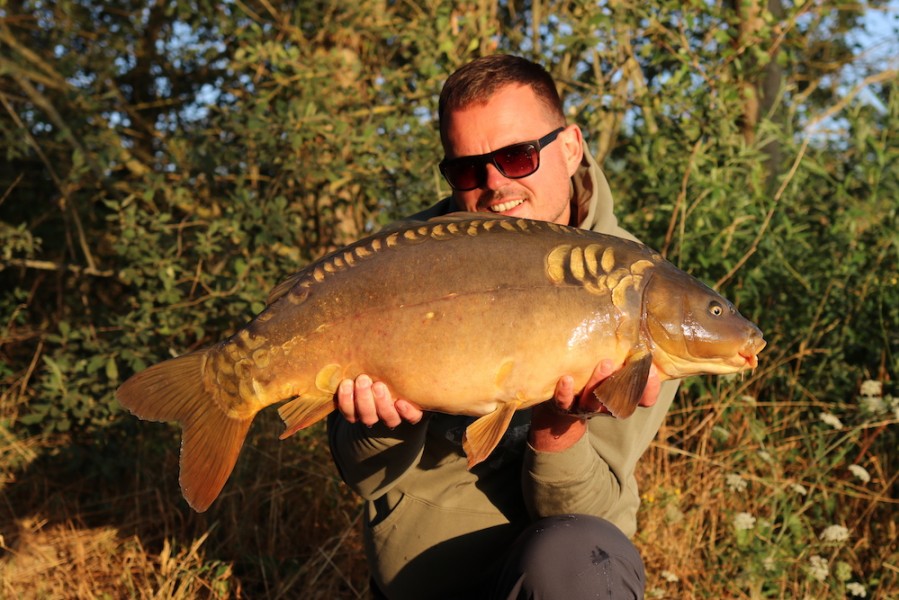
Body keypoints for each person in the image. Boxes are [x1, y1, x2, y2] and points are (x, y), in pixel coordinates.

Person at [327, 54, 679, 600]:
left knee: (576, 561)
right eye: (467, 169)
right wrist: (383, 423)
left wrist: (557, 427)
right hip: (426, 573)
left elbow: (593, 524)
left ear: (570, 146)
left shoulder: (639, 293)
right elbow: (369, 480)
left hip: (564, 571)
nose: (494, 185)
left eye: (517, 156)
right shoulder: (398, 266)